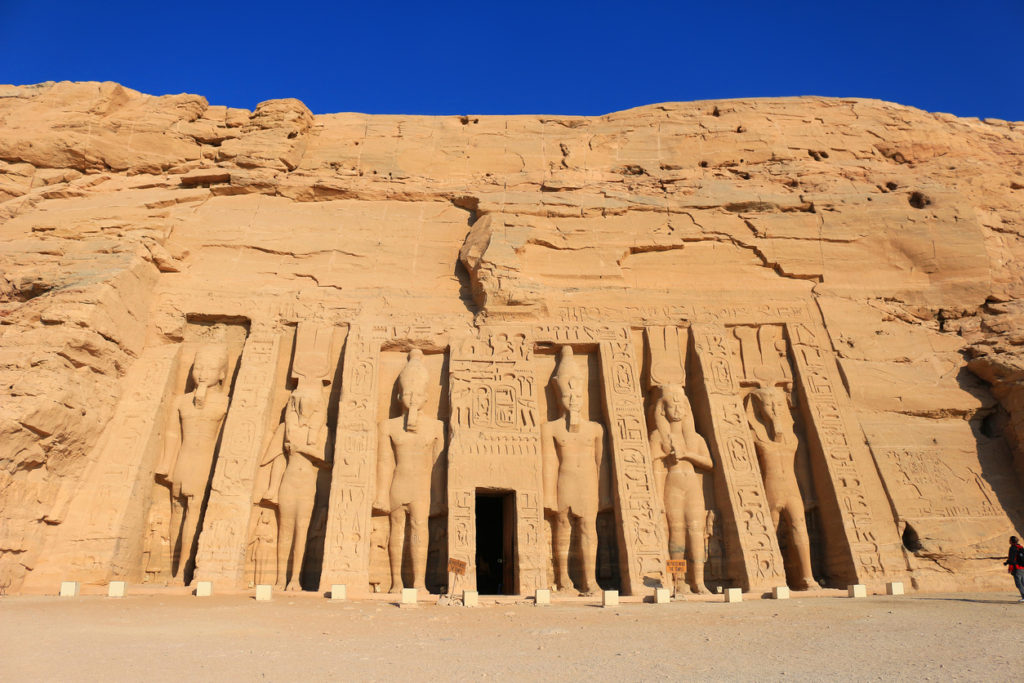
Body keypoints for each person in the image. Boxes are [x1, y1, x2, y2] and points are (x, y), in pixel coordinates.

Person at [155, 345, 231, 581]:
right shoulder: (181, 401)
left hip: (205, 462)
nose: (202, 373)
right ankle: (173, 567)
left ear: (222, 374)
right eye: (198, 367)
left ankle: (184, 572)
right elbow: (172, 434)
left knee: (195, 512)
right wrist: (166, 464)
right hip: (183, 461)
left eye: (209, 368)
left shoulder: (225, 402)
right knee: (176, 510)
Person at [374, 349, 446, 593]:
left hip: (422, 488)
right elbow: (385, 463)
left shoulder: (436, 427)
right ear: (398, 396)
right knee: (396, 532)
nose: (413, 399)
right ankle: (396, 582)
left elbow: (438, 467)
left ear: (426, 398)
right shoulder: (388, 426)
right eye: (407, 394)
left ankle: (418, 583)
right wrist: (381, 494)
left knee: (419, 531)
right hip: (398, 485)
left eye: (417, 394)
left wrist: (438, 498)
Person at [541, 346, 608, 596]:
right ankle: (563, 578)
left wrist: (606, 495)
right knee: (563, 527)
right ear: (560, 398)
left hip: (588, 483)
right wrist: (548, 496)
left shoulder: (595, 429)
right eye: (568, 396)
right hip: (564, 481)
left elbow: (602, 465)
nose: (573, 400)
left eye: (577, 396)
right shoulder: (551, 428)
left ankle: (590, 580)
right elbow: (550, 463)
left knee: (589, 527)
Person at [649, 384, 713, 594]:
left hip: (693, 487)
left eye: (680, 405)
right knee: (676, 534)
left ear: (687, 409)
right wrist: (657, 498)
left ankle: (699, 581)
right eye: (671, 406)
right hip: (672, 487)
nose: (676, 410)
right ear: (663, 410)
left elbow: (709, 463)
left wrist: (686, 455)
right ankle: (679, 580)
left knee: (696, 531)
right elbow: (654, 466)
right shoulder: (659, 436)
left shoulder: (696, 438)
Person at [1004, 535, 1024, 602]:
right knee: (1023, 582)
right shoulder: (1020, 547)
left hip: (1017, 568)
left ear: (1011, 541)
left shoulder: (1012, 548)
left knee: (1018, 584)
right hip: (1022, 568)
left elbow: (1011, 559)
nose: (1009, 541)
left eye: (1009, 540)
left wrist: (1007, 563)